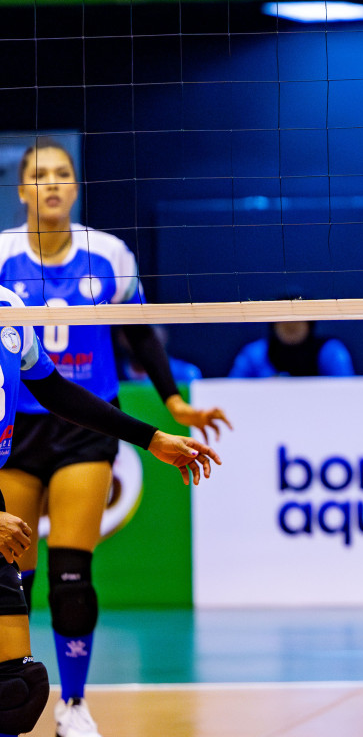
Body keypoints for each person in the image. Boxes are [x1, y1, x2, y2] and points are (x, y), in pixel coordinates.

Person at [0, 138, 231, 737]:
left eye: (62, 174)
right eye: (39, 176)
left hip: (85, 425)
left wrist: (169, 409)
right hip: (12, 430)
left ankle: (73, 706)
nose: (51, 184)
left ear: (74, 186)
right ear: (22, 190)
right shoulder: (1, 259)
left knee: (71, 571)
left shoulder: (107, 254)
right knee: (10, 573)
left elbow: (141, 333)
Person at [229, 320, 353, 377]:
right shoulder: (253, 354)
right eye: (284, 319)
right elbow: (233, 391)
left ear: (310, 324)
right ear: (273, 324)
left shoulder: (331, 352)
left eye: (298, 319)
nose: (291, 325)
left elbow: (346, 393)